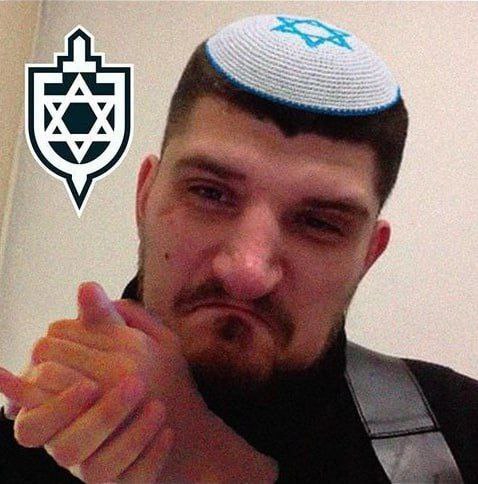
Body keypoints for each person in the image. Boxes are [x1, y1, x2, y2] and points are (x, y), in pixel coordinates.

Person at [1, 13, 477, 483]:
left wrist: (206, 466)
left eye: (318, 222)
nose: (247, 271)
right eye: (210, 193)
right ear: (145, 196)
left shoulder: (459, 438)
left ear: (368, 254)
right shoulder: (24, 447)